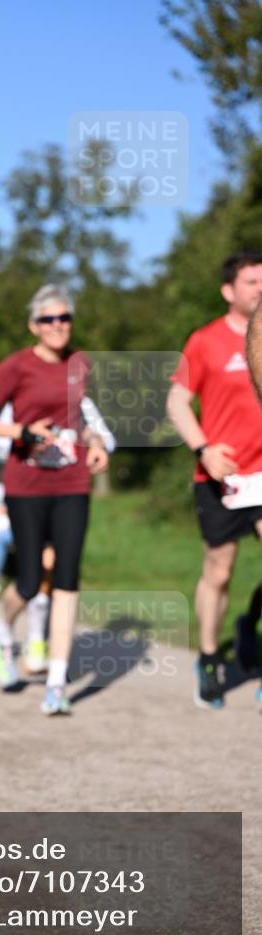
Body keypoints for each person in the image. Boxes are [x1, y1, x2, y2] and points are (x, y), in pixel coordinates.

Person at [0, 284, 108, 715]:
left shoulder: (80, 366)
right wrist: (22, 433)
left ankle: (56, 682)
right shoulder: (16, 366)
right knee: (30, 581)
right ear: (34, 325)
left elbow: (85, 418)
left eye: (64, 318)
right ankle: (2, 627)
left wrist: (98, 442)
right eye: (48, 319)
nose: (58, 326)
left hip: (71, 481)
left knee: (66, 577)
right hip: (26, 483)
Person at [167, 252, 262, 709]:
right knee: (219, 571)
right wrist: (203, 447)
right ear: (230, 291)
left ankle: (252, 635)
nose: (260, 287)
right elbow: (176, 402)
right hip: (222, 475)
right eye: (251, 281)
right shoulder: (204, 341)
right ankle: (208, 656)